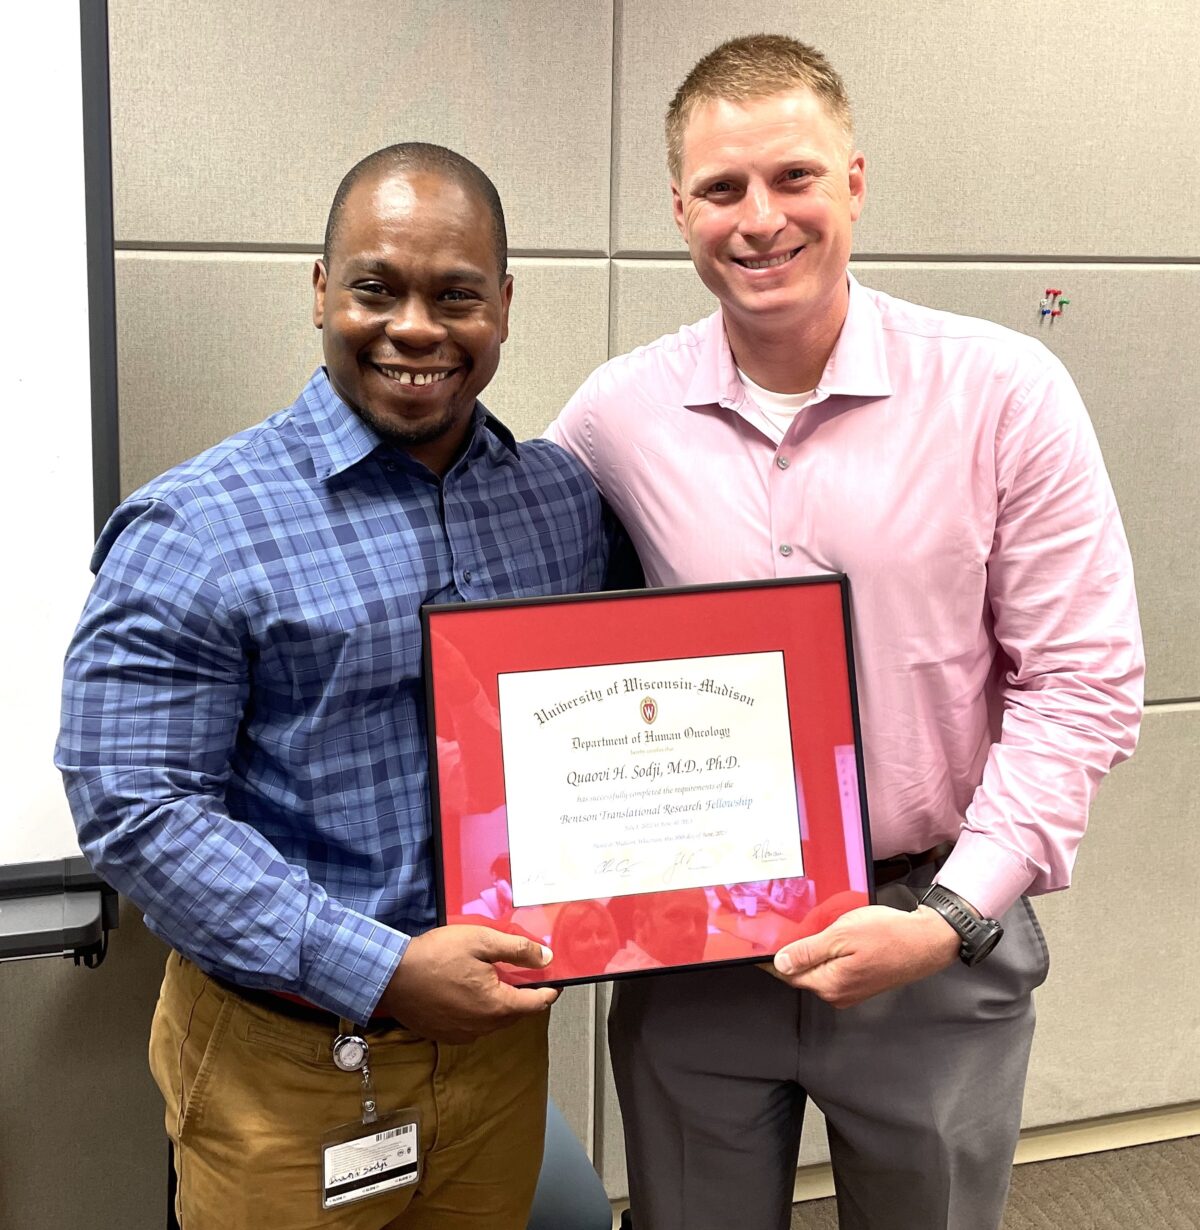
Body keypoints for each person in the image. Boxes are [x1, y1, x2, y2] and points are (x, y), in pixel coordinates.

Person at [547, 34, 1144, 1230]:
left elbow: (1081, 685)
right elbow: (531, 642)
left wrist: (954, 918)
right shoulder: (617, 416)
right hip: (698, 949)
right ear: (680, 210)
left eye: (795, 177)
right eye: (723, 188)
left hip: (930, 928)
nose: (761, 219)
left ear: (855, 182)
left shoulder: (1003, 392)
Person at [57, 143, 613, 1230]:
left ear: (504, 305)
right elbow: (135, 809)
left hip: (499, 1048)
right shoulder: (197, 527)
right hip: (288, 1063)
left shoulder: (559, 503)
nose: (416, 328)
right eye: (376, 288)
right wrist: (380, 968)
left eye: (457, 295)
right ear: (321, 292)